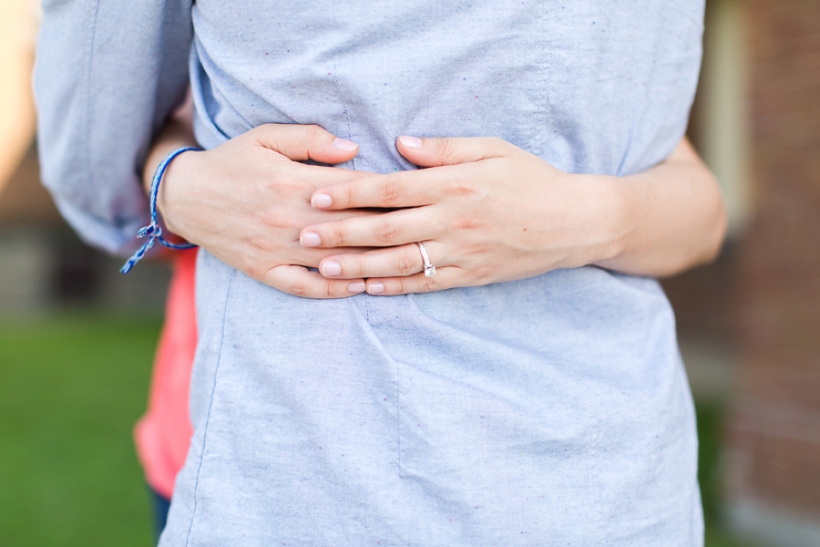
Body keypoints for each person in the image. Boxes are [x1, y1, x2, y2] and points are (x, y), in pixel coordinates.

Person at [35, 1, 725, 545]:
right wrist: (183, 186)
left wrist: (572, 217)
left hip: (317, 480)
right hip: (617, 482)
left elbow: (94, 160)